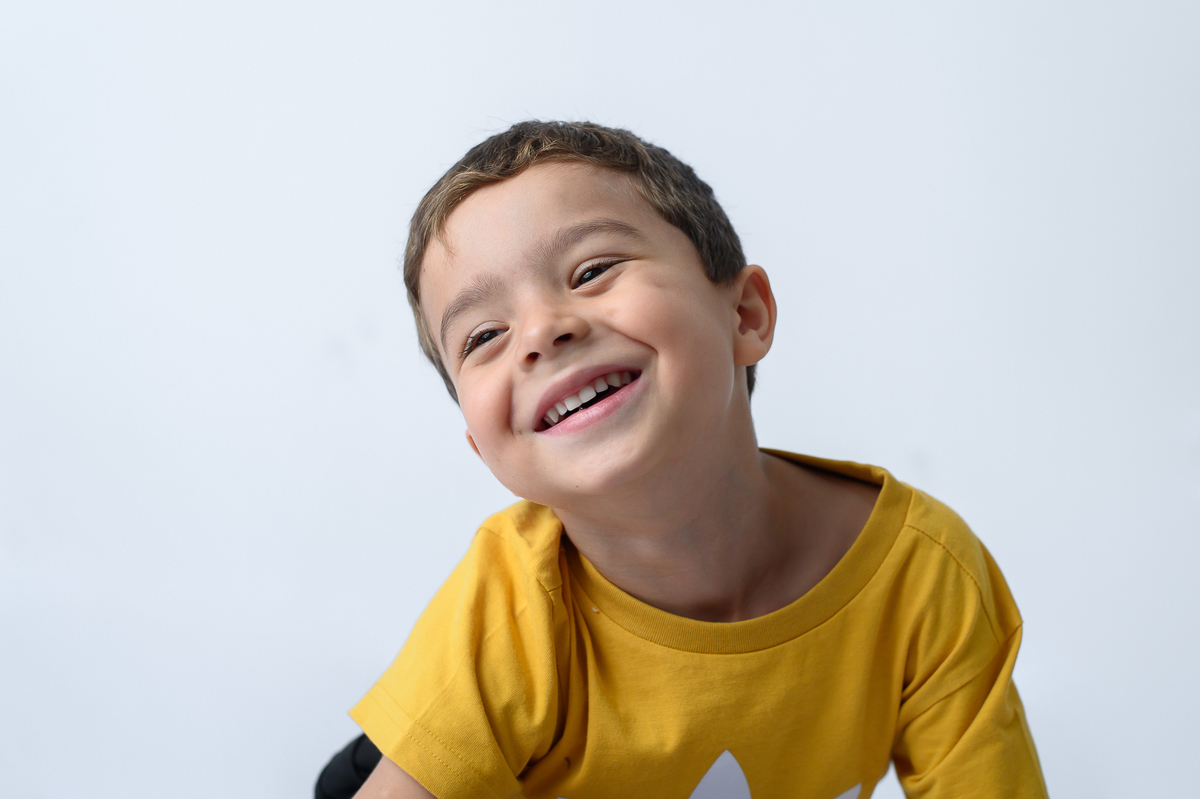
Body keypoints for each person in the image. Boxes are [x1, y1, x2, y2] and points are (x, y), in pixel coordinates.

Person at [320, 121, 1048, 799]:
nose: (541, 330)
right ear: (483, 447)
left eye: (592, 269)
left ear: (745, 315)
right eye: (483, 335)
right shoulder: (509, 604)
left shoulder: (923, 579)